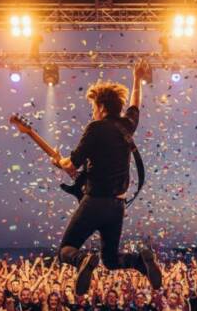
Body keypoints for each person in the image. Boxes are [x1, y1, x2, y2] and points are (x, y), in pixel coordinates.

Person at [53, 59, 162, 295]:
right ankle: (141, 262)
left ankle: (81, 259)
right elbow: (135, 105)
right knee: (111, 260)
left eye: (94, 106)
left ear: (101, 106)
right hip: (117, 206)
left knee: (65, 251)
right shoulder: (127, 126)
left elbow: (72, 163)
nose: (93, 111)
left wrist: (61, 162)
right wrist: (136, 78)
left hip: (95, 202)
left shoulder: (96, 127)